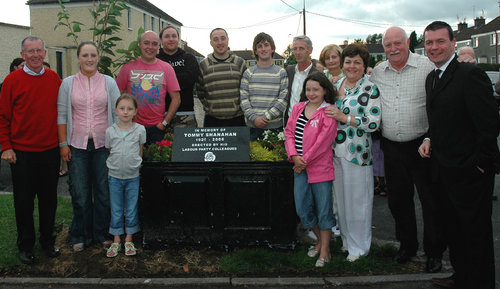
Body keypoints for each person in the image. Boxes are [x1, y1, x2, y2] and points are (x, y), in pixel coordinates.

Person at [418, 21, 499, 289]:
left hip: (471, 173)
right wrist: (429, 138)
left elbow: (489, 125)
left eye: (440, 41)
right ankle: (461, 278)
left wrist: (481, 165)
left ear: (453, 43)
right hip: (443, 170)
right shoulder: (432, 78)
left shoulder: (469, 74)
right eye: (429, 42)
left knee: (475, 234)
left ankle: (480, 282)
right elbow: (440, 121)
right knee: (454, 229)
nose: (434, 47)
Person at [369, 26, 446, 273]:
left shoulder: (426, 67)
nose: (393, 49)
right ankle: (407, 246)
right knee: (398, 202)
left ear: (408, 42)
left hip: (422, 147)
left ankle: (434, 252)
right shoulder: (379, 71)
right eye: (388, 45)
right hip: (391, 147)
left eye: (397, 43)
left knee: (431, 202)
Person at [0, 36, 61, 264]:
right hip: (22, 153)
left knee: (49, 201)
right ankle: (25, 245)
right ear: (23, 54)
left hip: (49, 151)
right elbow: (3, 116)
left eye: (39, 51)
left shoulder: (54, 79)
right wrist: (6, 147)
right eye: (30, 51)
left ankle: (47, 241)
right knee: (24, 203)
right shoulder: (12, 81)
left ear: (45, 53)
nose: (35, 55)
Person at [57, 41, 120, 252]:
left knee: (103, 192)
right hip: (77, 146)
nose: (90, 59)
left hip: (104, 146)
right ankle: (80, 234)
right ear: (78, 58)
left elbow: (117, 113)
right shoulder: (68, 83)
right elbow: (62, 115)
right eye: (85, 55)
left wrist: (116, 142)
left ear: (98, 57)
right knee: (81, 194)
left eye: (93, 55)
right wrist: (63, 144)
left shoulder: (109, 82)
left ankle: (102, 233)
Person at [325, 43, 381, 262]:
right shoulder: (335, 83)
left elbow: (374, 123)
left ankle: (360, 247)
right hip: (335, 152)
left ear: (364, 65)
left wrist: (344, 118)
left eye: (357, 62)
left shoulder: (370, 88)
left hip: (358, 154)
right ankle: (348, 243)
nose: (351, 66)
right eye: (348, 61)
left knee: (359, 203)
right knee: (342, 201)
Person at [284, 72, 337, 268]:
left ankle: (324, 251)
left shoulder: (328, 111)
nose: (312, 93)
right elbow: (288, 132)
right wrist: (294, 156)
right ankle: (321, 240)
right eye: (308, 89)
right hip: (300, 167)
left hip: (320, 168)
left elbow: (324, 141)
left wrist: (304, 160)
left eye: (316, 89)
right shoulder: (298, 108)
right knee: (303, 209)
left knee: (323, 210)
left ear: (324, 90)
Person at [116, 30, 180, 145]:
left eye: (154, 44)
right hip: (132, 127)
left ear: (158, 46)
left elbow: (176, 99)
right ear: (140, 44)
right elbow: (116, 96)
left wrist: (164, 123)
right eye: (146, 43)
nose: (150, 47)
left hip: (157, 128)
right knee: (131, 162)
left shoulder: (167, 68)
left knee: (154, 161)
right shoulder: (128, 68)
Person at [105, 93, 146, 258]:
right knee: (115, 209)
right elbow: (109, 149)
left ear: (135, 111)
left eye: (130, 109)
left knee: (131, 208)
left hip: (132, 177)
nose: (125, 112)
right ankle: (116, 239)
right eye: (122, 108)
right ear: (116, 110)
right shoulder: (110, 131)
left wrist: (135, 163)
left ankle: (129, 238)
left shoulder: (140, 130)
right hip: (114, 176)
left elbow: (140, 150)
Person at [240, 32, 288, 140]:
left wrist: (265, 117)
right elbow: (244, 99)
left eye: (266, 45)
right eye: (259, 46)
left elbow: (283, 100)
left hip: (275, 128)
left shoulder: (281, 73)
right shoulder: (248, 73)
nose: (263, 49)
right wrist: (254, 118)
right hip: (252, 128)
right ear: (256, 51)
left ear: (272, 49)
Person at [197, 28, 247, 127]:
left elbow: (246, 89)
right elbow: (200, 91)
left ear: (228, 40)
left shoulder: (240, 63)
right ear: (211, 42)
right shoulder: (203, 65)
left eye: (223, 38)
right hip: (212, 120)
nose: (220, 42)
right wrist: (210, 107)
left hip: (237, 120)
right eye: (215, 39)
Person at [157, 25, 200, 128]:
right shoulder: (155, 59)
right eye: (167, 36)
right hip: (159, 115)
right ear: (161, 40)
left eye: (174, 36)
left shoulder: (189, 58)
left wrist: (164, 79)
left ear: (178, 39)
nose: (171, 39)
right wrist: (179, 78)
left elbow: (189, 80)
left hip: (186, 114)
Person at [284, 36, 319, 123]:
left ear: (310, 50)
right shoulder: (289, 70)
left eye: (301, 49)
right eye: (295, 49)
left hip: (308, 123)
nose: (297, 52)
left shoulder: (318, 75)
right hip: (289, 122)